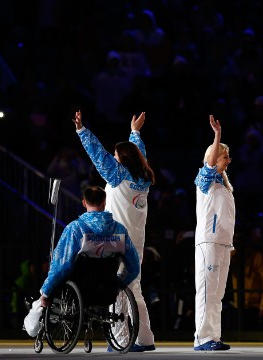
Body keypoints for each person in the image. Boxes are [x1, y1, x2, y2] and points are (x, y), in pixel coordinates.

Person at [73, 111, 157, 352]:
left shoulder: (118, 176)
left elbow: (97, 154)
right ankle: (145, 338)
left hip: (116, 241)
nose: (113, 156)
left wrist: (81, 131)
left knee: (116, 289)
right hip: (136, 241)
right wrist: (135, 132)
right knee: (135, 287)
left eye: (116, 154)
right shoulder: (143, 179)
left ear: (122, 159)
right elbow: (139, 155)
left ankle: (120, 340)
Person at [24, 186, 140, 336]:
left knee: (53, 285)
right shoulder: (119, 230)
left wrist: (45, 292)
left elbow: (62, 265)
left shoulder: (75, 228)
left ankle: (36, 312)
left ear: (84, 203)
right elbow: (134, 266)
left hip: (79, 289)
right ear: (104, 202)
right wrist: (119, 285)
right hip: (108, 289)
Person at [193, 115, 235, 351]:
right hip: (208, 243)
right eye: (225, 156)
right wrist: (217, 136)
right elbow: (209, 164)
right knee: (207, 291)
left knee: (217, 294)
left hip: (222, 244)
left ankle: (213, 336)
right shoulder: (205, 180)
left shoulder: (225, 186)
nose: (229, 160)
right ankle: (202, 338)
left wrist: (230, 243)